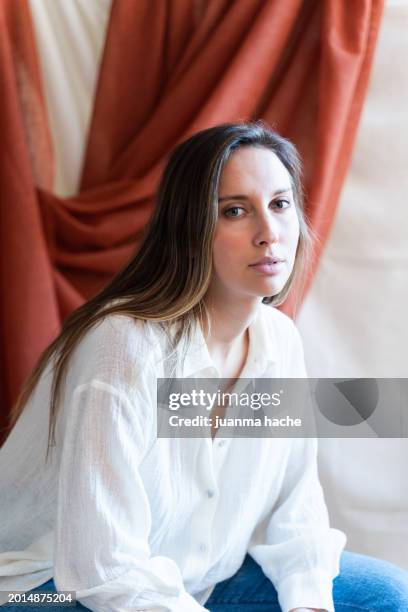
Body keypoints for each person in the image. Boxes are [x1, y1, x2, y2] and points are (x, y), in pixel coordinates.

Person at [1, 122, 407, 612]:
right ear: (190, 228)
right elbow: (102, 570)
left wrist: (310, 603)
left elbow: (295, 512)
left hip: (194, 582)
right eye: (235, 211)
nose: (269, 234)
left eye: (280, 205)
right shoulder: (124, 346)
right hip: (53, 587)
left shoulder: (279, 341)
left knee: (380, 595)